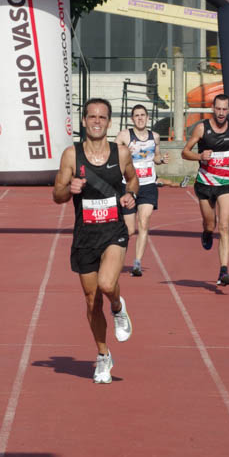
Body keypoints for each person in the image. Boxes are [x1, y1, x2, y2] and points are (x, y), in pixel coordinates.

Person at [52, 98, 137, 384]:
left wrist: (131, 195)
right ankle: (103, 355)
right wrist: (70, 188)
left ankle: (118, 307)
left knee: (107, 285)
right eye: (92, 117)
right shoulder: (71, 155)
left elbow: (133, 179)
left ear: (109, 122)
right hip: (85, 235)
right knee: (91, 302)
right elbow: (57, 195)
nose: (97, 121)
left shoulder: (120, 152)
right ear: (84, 121)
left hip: (113, 230)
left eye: (102, 117)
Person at [182, 94, 229, 286]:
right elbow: (185, 152)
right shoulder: (201, 128)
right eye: (218, 109)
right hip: (205, 183)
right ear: (213, 109)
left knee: (224, 226)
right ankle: (206, 232)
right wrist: (200, 156)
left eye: (224, 109)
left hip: (226, 183)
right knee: (210, 224)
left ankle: (223, 270)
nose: (221, 113)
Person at [114, 104, 169, 277]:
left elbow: (156, 157)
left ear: (147, 117)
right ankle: (114, 256)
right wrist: (124, 152)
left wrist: (161, 160)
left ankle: (137, 263)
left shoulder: (155, 136)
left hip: (148, 185)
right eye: (136, 115)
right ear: (132, 119)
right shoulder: (124, 135)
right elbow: (112, 155)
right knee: (130, 230)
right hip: (129, 186)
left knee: (144, 222)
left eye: (142, 115)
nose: (140, 118)